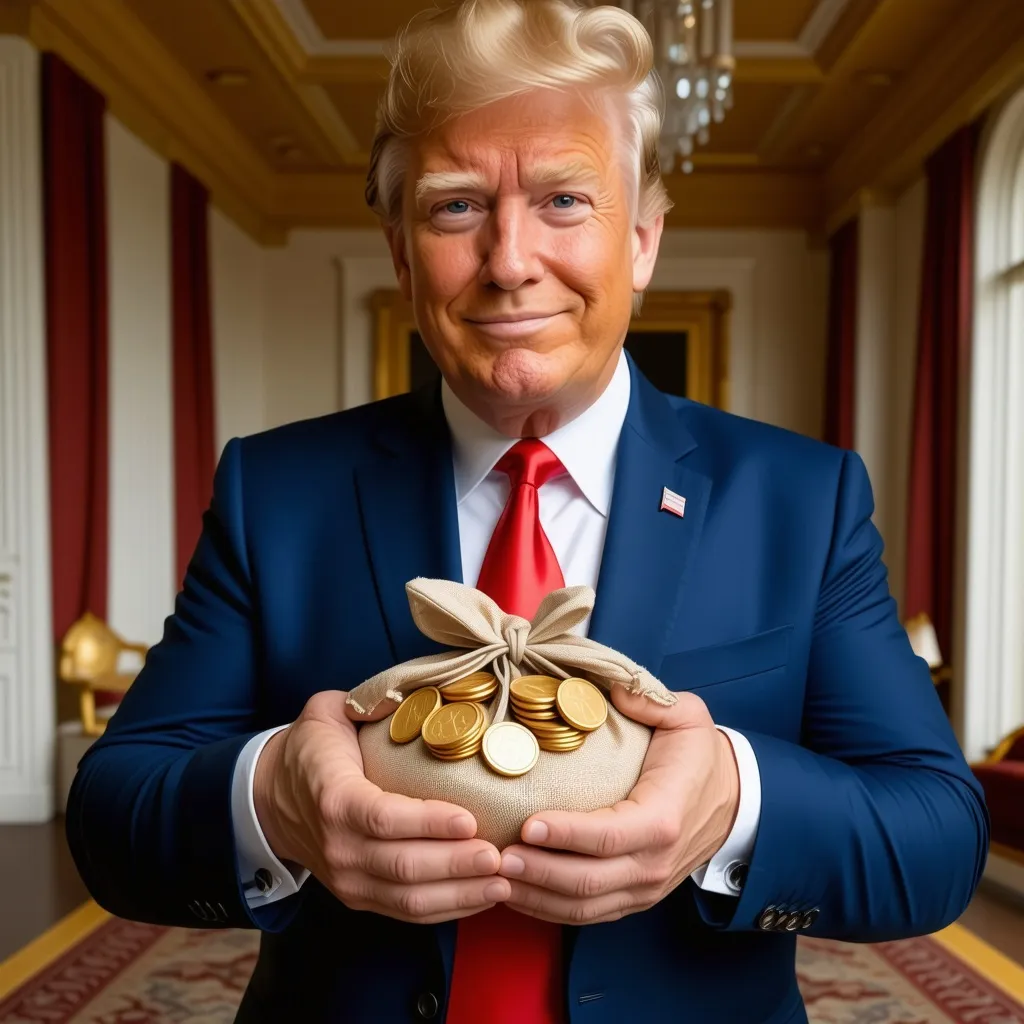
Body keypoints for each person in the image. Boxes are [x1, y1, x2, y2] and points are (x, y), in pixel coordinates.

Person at [66, 1, 988, 1021]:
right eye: (455, 207)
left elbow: (936, 837)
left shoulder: (800, 497)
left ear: (641, 238)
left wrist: (730, 800)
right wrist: (273, 796)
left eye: (561, 199)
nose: (508, 259)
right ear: (399, 249)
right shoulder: (274, 490)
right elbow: (113, 816)